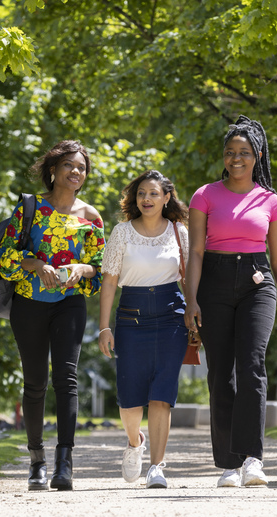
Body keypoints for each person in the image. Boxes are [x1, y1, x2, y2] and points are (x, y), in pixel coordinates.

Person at [184, 116, 277, 488]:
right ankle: (229, 465)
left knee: (252, 366)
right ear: (224, 156)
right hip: (214, 284)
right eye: (230, 153)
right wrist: (191, 301)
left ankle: (253, 459)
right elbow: (197, 254)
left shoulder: (271, 202)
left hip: (257, 283)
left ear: (258, 156)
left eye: (245, 153)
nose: (236, 159)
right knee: (222, 373)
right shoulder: (204, 195)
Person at [0, 140, 105, 491]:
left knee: (66, 379)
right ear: (53, 171)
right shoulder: (30, 208)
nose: (77, 172)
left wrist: (82, 268)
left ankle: (64, 462)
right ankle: (36, 462)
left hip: (69, 304)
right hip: (29, 302)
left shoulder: (91, 216)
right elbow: (6, 256)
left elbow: (102, 267)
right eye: (69, 166)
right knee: (35, 383)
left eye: (82, 168)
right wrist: (36, 264)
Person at [98, 170, 189, 489]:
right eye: (141, 194)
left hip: (171, 317)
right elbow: (109, 280)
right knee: (129, 399)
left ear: (167, 197)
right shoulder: (121, 232)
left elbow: (188, 277)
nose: (146, 199)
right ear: (134, 199)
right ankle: (135, 443)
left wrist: (194, 313)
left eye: (153, 193)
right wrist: (104, 327)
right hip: (131, 319)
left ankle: (157, 466)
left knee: (163, 393)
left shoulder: (179, 231)